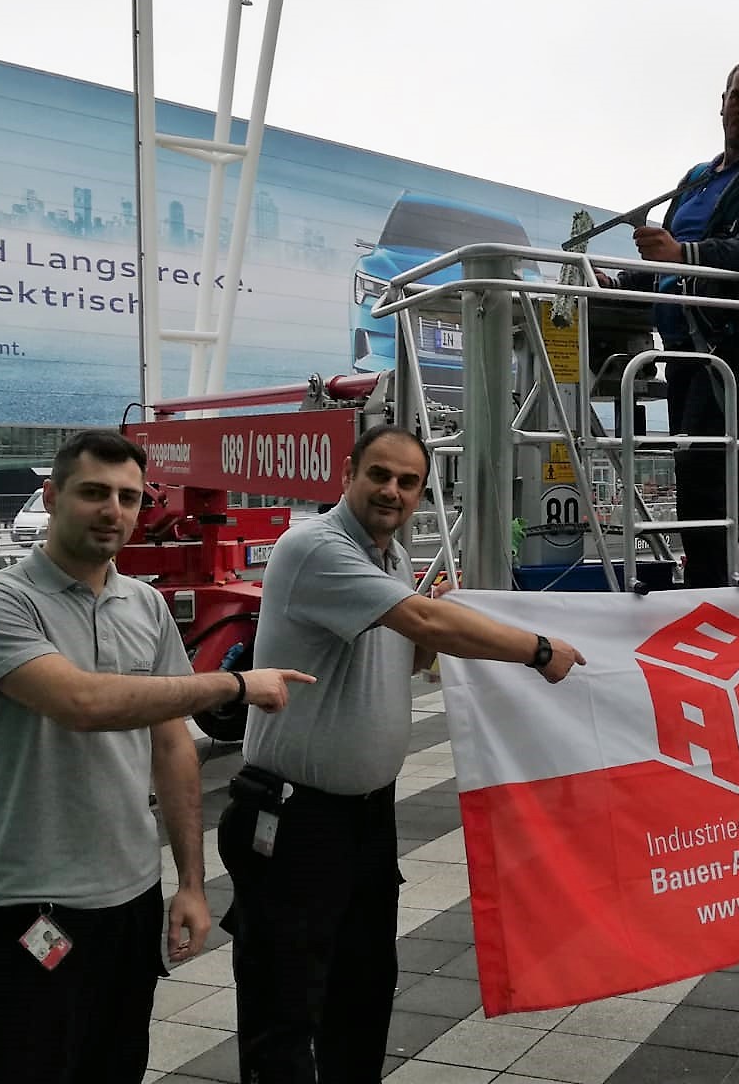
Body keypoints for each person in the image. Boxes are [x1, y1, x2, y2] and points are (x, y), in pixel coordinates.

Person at [217, 424, 586, 1083]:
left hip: (365, 819)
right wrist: (534, 648)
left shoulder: (387, 557)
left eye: (408, 482)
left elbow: (410, 646)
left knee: (360, 995)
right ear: (349, 475)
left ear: (420, 493)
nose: (392, 491)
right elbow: (419, 624)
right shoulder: (316, 549)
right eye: (379, 475)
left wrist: (436, 613)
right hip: (296, 820)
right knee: (286, 1009)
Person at [0, 429, 311, 1084]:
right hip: (32, 903)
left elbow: (172, 743)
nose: (112, 510)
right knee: (26, 1067)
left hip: (131, 898)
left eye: (127, 497)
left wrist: (192, 886)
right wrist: (234, 684)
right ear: (51, 497)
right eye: (92, 493)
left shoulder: (143, 604)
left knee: (113, 1065)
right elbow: (81, 703)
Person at [609, 56, 739, 587]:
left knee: (716, 476)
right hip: (681, 348)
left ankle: (727, 592)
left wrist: (686, 251)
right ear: (722, 102)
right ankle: (709, 586)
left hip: (733, 346)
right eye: (736, 97)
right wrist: (620, 285)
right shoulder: (698, 177)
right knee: (693, 471)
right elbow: (668, 265)